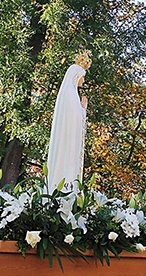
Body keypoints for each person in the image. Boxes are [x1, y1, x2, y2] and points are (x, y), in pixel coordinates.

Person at [46, 51, 91, 192]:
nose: (83, 81)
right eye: (82, 77)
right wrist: (83, 109)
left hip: (67, 139)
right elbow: (74, 117)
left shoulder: (69, 92)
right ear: (76, 76)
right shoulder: (70, 93)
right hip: (67, 142)